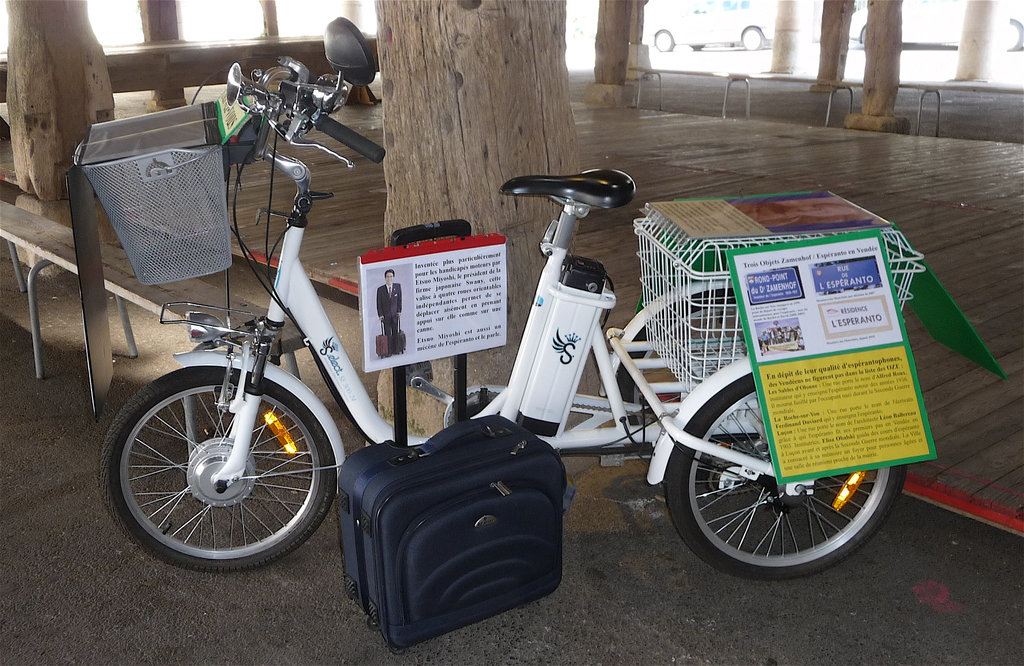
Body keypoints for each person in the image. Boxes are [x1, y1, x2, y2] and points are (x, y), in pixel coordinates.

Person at [376, 269, 402, 356]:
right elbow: (378, 303)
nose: (389, 278)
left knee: (395, 332)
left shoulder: (397, 287)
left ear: (393, 277)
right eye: (387, 277)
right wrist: (380, 314)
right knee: (387, 334)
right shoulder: (380, 290)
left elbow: (399, 300)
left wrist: (399, 311)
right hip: (386, 316)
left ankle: (396, 349)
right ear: (385, 278)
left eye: (391, 276)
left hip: (394, 315)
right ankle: (389, 351)